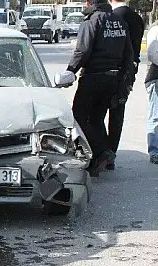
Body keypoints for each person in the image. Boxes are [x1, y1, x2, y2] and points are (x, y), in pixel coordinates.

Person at [67, 0, 133, 177]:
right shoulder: (119, 21)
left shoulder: (92, 20)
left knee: (78, 117)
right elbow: (129, 53)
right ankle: (98, 158)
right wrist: (125, 79)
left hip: (92, 77)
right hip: (113, 78)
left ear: (90, 2)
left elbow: (82, 50)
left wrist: (70, 71)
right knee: (96, 119)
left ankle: (103, 151)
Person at [105, 0, 145, 169]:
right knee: (117, 114)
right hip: (129, 73)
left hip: (110, 70)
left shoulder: (112, 17)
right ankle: (111, 154)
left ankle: (102, 152)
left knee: (96, 114)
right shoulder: (137, 18)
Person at [146, 23, 158, 164]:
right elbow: (152, 54)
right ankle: (154, 151)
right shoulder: (156, 30)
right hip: (156, 78)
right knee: (155, 116)